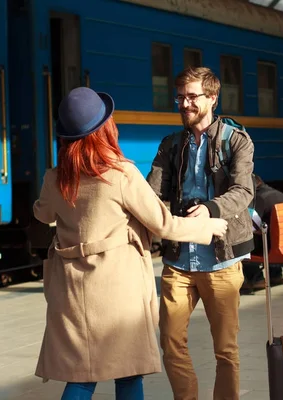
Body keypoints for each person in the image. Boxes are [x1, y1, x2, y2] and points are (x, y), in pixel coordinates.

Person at [33, 86, 229, 400]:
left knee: (83, 376)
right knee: (127, 373)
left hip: (72, 290)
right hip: (117, 291)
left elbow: (42, 214)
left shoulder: (56, 178)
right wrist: (207, 226)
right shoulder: (121, 174)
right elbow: (163, 224)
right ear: (105, 131)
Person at [146, 66, 255, 400]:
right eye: (180, 97)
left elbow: (243, 191)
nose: (184, 104)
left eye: (192, 96)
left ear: (212, 97)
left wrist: (210, 209)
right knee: (170, 342)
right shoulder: (171, 144)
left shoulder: (236, 140)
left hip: (220, 262)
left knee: (225, 349)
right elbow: (152, 191)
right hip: (179, 260)